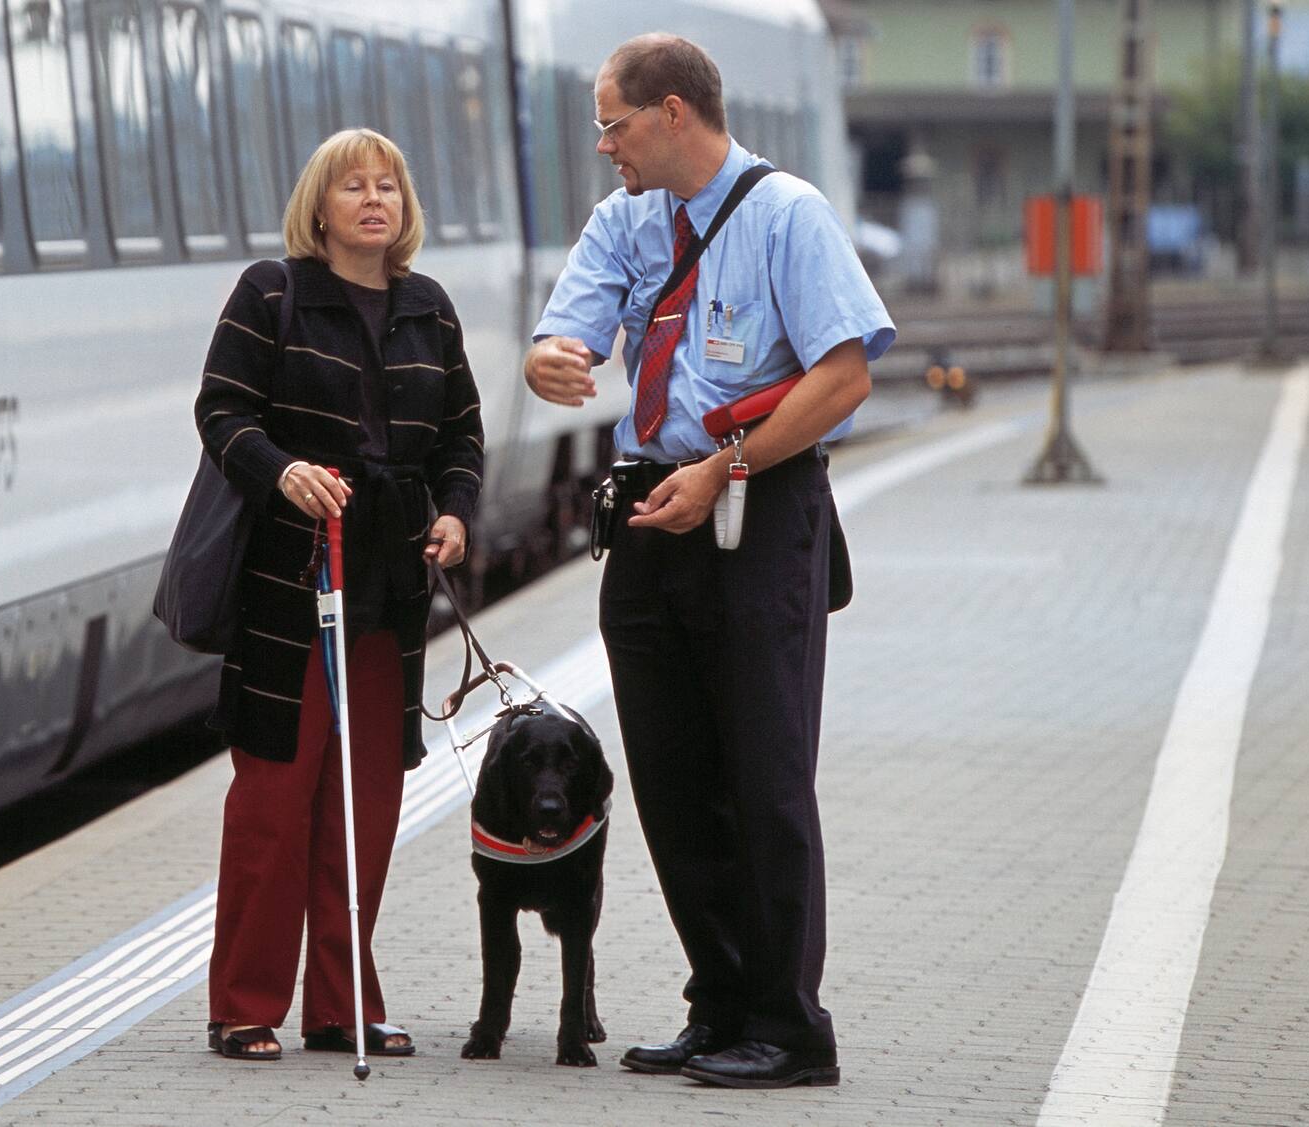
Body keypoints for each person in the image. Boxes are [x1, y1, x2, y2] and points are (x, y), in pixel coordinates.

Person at [523, 34, 893, 1088]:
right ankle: (719, 1001)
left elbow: (843, 377)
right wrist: (548, 360)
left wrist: (725, 465)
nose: (604, 146)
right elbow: (565, 333)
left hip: (753, 505)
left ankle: (789, 1024)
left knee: (762, 775)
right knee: (673, 777)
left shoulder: (789, 217)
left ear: (672, 112)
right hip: (650, 506)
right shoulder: (625, 220)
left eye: (613, 124)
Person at [195, 128, 484, 1060]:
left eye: (387, 187)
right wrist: (282, 471)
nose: (373, 200)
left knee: (366, 803)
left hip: (390, 588)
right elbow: (220, 411)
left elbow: (462, 436)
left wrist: (456, 511)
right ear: (318, 207)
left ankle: (341, 1006)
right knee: (274, 800)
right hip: (290, 585)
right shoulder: (270, 294)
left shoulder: (428, 308)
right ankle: (243, 1002)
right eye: (353, 186)